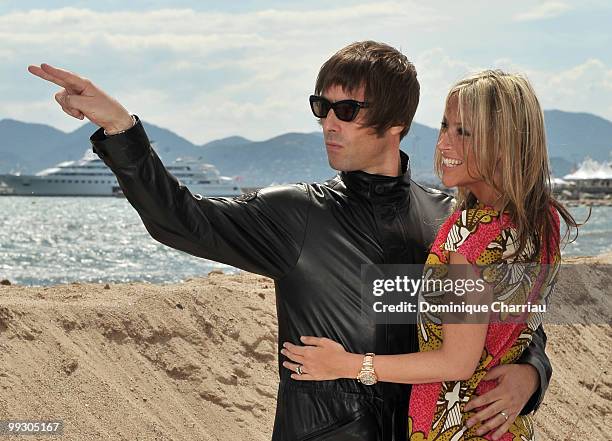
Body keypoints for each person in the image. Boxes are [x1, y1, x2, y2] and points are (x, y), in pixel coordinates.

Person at [29, 42, 551, 441]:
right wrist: (122, 129)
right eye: (321, 107)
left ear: (397, 124)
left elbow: (518, 316)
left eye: (347, 111)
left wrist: (530, 374)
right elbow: (180, 220)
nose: (328, 123)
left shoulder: (450, 218)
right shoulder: (296, 213)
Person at [279, 70, 578, 440]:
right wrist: (531, 373)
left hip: (454, 427)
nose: (443, 144)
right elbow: (513, 326)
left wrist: (347, 364)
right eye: (444, 127)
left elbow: (456, 361)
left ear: (504, 142)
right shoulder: (541, 220)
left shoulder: (469, 236)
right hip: (504, 426)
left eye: (463, 132)